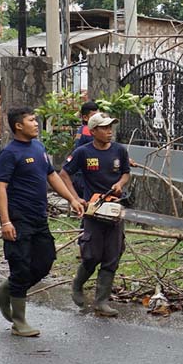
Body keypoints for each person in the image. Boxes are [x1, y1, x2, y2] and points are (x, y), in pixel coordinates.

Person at [0, 107, 85, 336]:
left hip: (39, 218)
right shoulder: (9, 154)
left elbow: (51, 176)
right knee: (20, 266)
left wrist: (72, 198)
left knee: (45, 261)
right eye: (31, 120)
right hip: (18, 219)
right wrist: (5, 222)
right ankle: (19, 321)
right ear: (18, 126)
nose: (36, 124)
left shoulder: (39, 148)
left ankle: (4, 291)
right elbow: (0, 188)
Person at [59, 112, 130, 316]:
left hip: (115, 208)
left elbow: (126, 172)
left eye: (110, 127)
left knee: (112, 256)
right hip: (93, 210)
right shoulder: (82, 152)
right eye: (104, 128)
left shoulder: (119, 151)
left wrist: (120, 183)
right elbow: (64, 174)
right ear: (93, 131)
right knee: (91, 255)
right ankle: (77, 285)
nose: (109, 132)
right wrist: (75, 198)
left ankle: (101, 301)